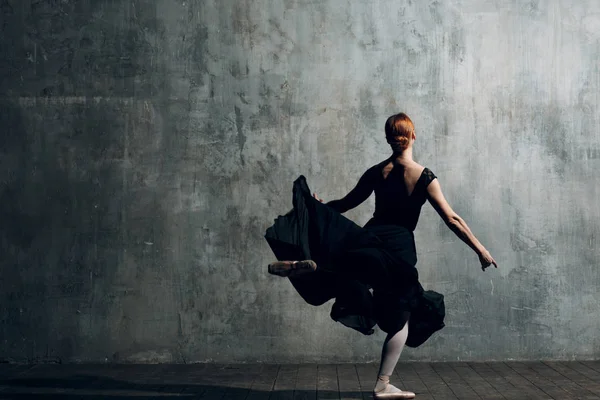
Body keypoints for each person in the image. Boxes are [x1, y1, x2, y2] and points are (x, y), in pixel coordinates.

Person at [264, 113, 497, 399]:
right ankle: (383, 383)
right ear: (413, 135)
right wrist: (480, 249)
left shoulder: (378, 171)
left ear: (388, 137)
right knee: (403, 314)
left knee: (353, 280)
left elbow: (346, 204)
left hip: (369, 240)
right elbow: (452, 219)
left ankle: (315, 268)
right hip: (398, 249)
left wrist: (316, 208)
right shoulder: (424, 177)